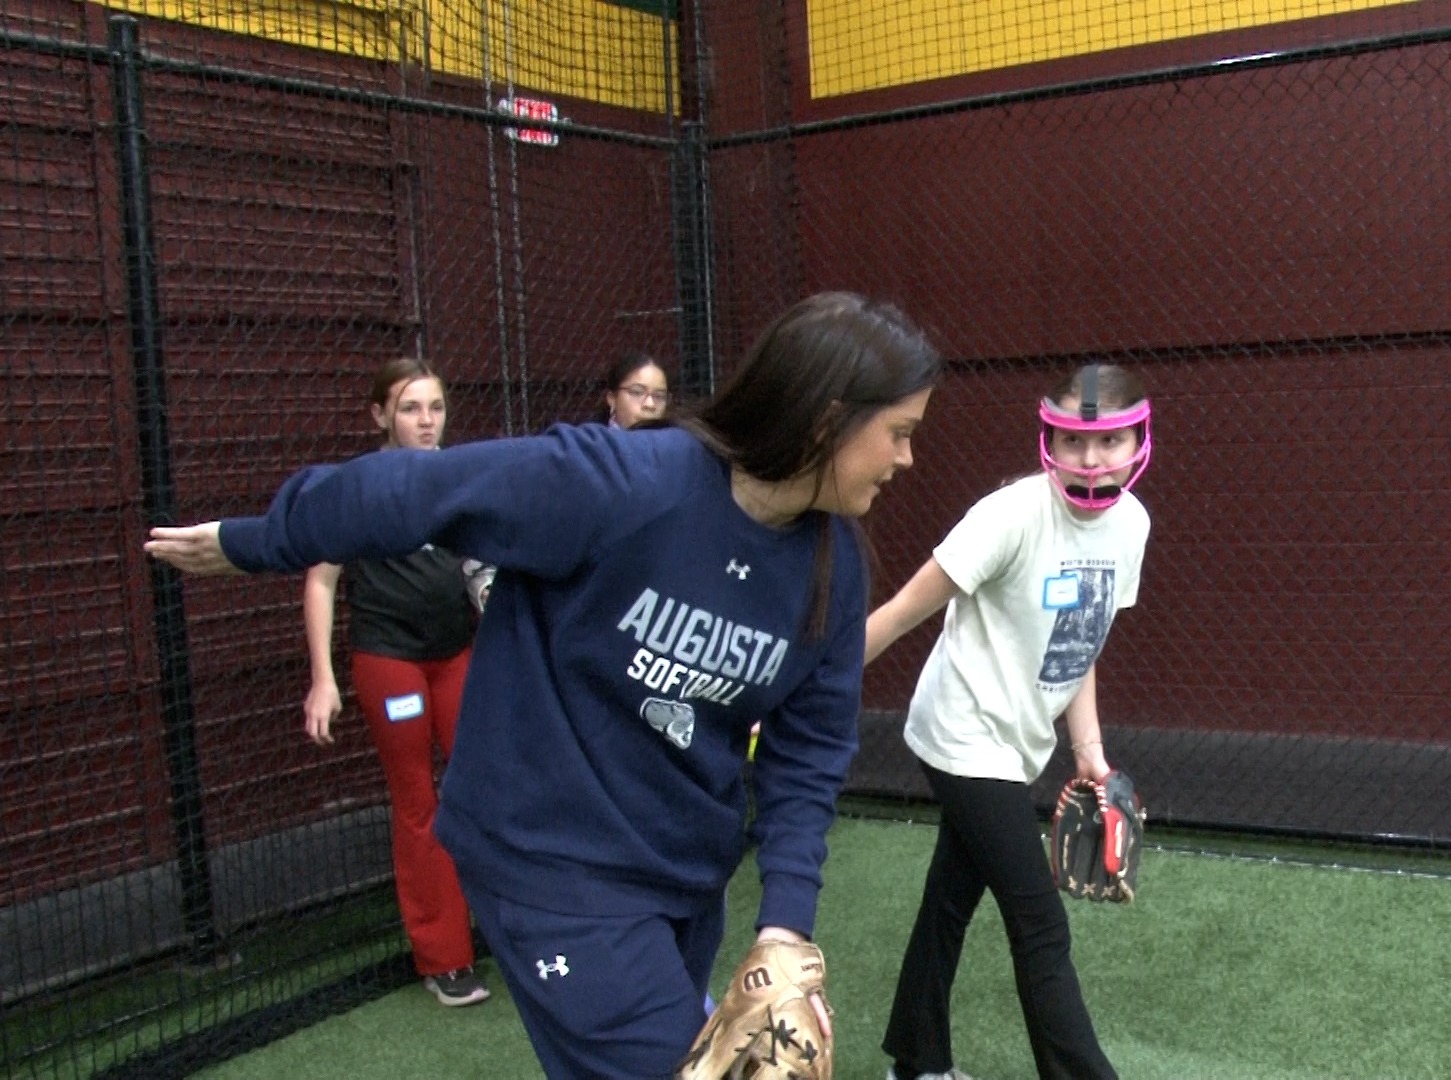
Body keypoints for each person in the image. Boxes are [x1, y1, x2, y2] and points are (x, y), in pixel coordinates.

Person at [146, 292, 943, 1079]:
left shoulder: (832, 573)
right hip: (549, 863)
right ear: (825, 418)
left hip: (683, 869)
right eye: (899, 433)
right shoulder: (623, 483)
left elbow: (807, 758)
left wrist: (784, 934)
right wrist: (261, 540)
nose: (908, 459)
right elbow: (420, 490)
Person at [863, 364, 1154, 1080]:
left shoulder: (1131, 527)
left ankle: (915, 1060)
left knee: (949, 902)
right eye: (1074, 441)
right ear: (1048, 439)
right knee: (1040, 924)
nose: (1091, 461)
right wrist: (803, 677)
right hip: (962, 735)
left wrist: (1089, 749)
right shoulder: (1012, 515)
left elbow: (1083, 640)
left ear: (1136, 439)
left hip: (1021, 741)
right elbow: (902, 613)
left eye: (1108, 441)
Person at [301, 358, 490, 1008]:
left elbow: (481, 566)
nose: (427, 420)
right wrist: (323, 680)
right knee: (418, 804)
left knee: (484, 786)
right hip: (391, 663)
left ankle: (507, 926)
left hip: (455, 654)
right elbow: (322, 578)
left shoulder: (456, 479)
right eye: (412, 408)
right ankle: (446, 957)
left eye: (435, 407)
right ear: (381, 415)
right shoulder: (356, 487)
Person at [606, 352, 673, 428]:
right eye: (637, 392)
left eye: (659, 396)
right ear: (612, 399)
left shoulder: (677, 438)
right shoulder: (594, 438)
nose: (650, 405)